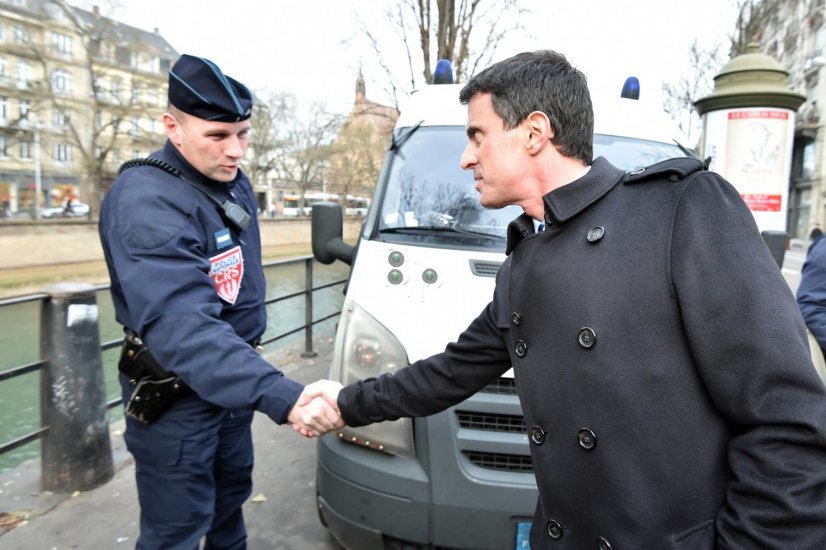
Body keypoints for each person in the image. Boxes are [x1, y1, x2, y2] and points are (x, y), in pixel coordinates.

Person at [304, 50, 826, 549]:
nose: (466, 159)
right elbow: (447, 372)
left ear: (534, 133)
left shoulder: (683, 210)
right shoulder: (522, 268)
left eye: (477, 136)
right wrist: (346, 401)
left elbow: (786, 422)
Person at [99, 54, 343, 549]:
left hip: (229, 384)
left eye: (243, 134)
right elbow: (183, 327)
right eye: (217, 136)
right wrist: (283, 396)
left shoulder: (226, 175)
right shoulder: (147, 201)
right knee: (178, 529)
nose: (235, 150)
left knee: (229, 504)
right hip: (179, 398)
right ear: (174, 127)